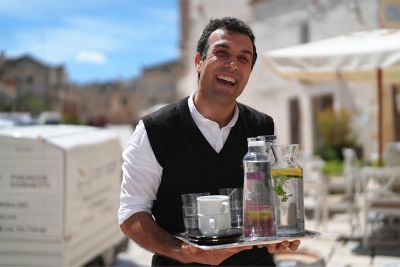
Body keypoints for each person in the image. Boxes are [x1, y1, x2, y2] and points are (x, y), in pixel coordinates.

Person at [119, 17, 300, 266]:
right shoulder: (154, 130)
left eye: (243, 59)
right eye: (222, 53)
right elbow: (132, 215)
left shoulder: (263, 127)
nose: (232, 64)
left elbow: (269, 203)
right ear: (198, 61)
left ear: (248, 73)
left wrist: (279, 233)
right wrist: (185, 252)